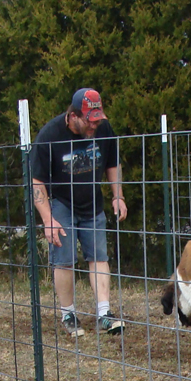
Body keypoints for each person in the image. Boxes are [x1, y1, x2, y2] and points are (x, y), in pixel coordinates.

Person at [29, 88, 127, 337]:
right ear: (73, 116)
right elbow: (37, 181)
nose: (94, 125)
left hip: (92, 202)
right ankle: (68, 314)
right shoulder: (49, 136)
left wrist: (118, 196)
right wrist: (48, 219)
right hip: (61, 203)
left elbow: (112, 163)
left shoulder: (103, 129)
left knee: (99, 256)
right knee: (64, 258)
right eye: (89, 120)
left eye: (97, 119)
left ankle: (104, 314)